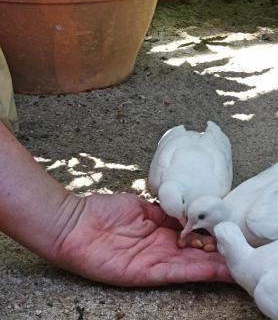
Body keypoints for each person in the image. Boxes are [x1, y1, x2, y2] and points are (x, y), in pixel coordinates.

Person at [0, 122, 231, 286]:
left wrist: (68, 221)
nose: (181, 224)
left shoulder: (217, 185)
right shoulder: (158, 181)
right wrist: (66, 223)